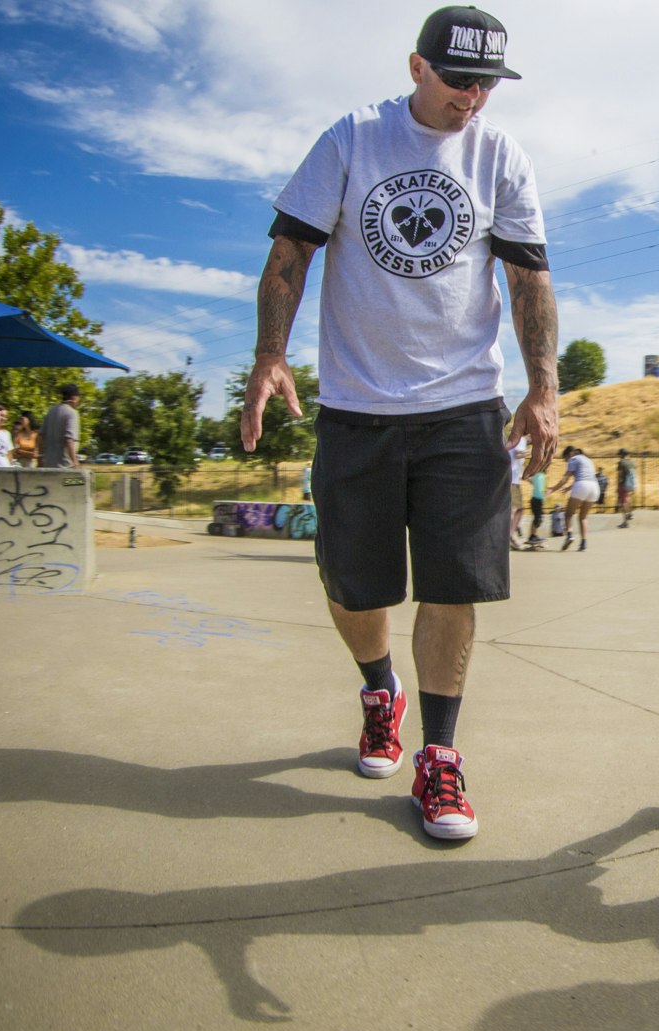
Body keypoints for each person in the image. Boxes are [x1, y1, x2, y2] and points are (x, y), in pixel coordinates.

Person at [240, 6, 559, 843]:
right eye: (460, 80)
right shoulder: (352, 139)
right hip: (357, 407)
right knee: (355, 584)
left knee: (454, 586)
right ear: (416, 67)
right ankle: (380, 687)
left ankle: (440, 759)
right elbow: (289, 256)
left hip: (464, 409)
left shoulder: (500, 155)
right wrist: (270, 355)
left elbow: (529, 281)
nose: (474, 100)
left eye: (488, 83)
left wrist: (544, 387)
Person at [549, 445, 597, 550]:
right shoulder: (588, 460)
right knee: (583, 516)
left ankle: (569, 535)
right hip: (594, 488)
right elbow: (584, 477)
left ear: (569, 454)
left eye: (565, 459)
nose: (566, 461)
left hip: (581, 486)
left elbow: (565, 478)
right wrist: (568, 489)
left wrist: (553, 489)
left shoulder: (573, 459)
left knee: (568, 514)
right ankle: (583, 543)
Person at [38, 384, 82, 468]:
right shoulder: (72, 413)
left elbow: (41, 437)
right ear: (74, 398)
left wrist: (40, 458)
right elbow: (69, 439)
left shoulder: (51, 411)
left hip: (48, 463)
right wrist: (75, 462)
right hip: (65, 465)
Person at [507, 436, 528, 547]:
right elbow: (517, 454)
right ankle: (509, 536)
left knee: (516, 510)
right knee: (516, 510)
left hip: (513, 479)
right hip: (512, 481)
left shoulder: (518, 439)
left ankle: (510, 535)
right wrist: (529, 453)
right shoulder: (522, 440)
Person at [615, 447, 637, 526]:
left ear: (621, 455)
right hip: (631, 484)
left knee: (622, 502)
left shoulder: (621, 463)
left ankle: (625, 522)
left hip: (623, 484)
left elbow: (619, 475)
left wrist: (617, 486)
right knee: (627, 498)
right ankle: (630, 513)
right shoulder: (631, 462)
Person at [526, 466, 547, 548]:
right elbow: (528, 478)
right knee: (538, 518)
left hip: (539, 499)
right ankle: (532, 536)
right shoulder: (538, 474)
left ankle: (534, 535)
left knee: (538, 518)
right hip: (536, 500)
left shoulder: (542, 476)